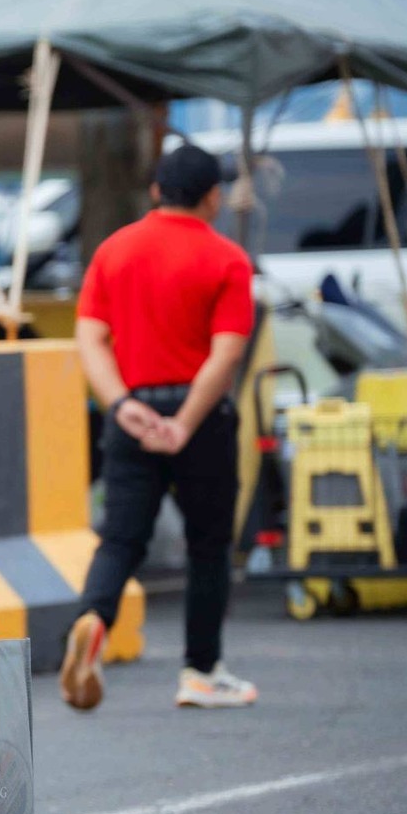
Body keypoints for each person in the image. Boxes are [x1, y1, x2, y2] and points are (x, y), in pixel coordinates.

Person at [61, 143, 257, 712]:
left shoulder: (114, 251)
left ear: (155, 190)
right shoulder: (228, 259)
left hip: (132, 413)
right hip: (201, 418)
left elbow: (90, 339)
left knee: (121, 538)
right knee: (208, 545)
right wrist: (185, 422)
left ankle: (94, 620)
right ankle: (201, 671)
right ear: (213, 197)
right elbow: (226, 354)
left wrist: (121, 405)